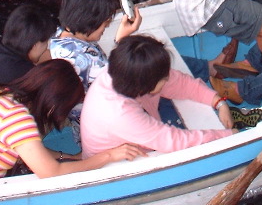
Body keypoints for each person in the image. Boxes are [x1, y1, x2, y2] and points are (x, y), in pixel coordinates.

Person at [0, 59, 146, 182]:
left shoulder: (5, 97)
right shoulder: (18, 120)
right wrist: (109, 156)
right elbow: (51, 173)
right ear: (54, 104)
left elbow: (31, 149)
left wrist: (69, 157)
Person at [80, 35, 235, 157]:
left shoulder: (124, 73)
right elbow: (173, 141)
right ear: (145, 84)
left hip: (138, 136)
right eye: (163, 79)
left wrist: (218, 102)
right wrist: (227, 136)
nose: (167, 79)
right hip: (119, 168)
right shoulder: (120, 113)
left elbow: (179, 82)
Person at [48, 0, 141, 141]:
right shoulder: (87, 60)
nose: (106, 28)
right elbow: (122, 84)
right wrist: (121, 41)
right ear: (90, 21)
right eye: (105, 24)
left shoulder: (56, 37)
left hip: (82, 128)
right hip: (105, 134)